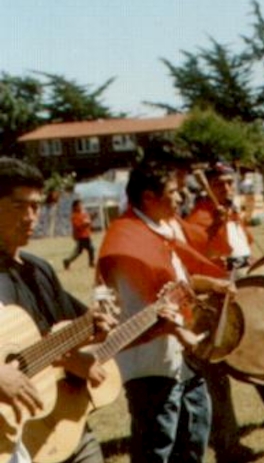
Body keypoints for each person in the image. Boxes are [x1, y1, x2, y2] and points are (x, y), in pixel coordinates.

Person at [97, 161, 234, 463]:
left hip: (183, 359)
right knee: (157, 450)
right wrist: (179, 331)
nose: (180, 198)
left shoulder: (157, 231)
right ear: (149, 197)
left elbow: (177, 283)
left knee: (193, 441)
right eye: (173, 192)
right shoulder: (126, 242)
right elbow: (145, 308)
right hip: (151, 366)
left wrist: (211, 283)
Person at [186, 163, 264, 463]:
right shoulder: (198, 219)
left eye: (230, 183)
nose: (227, 189)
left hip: (246, 291)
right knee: (217, 370)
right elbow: (195, 259)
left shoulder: (231, 212)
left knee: (260, 349)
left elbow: (245, 249)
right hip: (216, 301)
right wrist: (214, 229)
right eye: (220, 184)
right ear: (209, 186)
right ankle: (227, 442)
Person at [0, 158, 117, 463]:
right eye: (18, 206)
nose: (30, 217)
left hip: (65, 420)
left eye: (35, 207)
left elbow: (58, 335)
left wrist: (88, 339)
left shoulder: (39, 269)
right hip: (12, 437)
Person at [63, 199, 95, 270]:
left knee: (83, 250)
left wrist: (91, 219)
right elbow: (77, 226)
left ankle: (67, 261)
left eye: (81, 205)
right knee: (89, 249)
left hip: (86, 234)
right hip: (81, 236)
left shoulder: (84, 214)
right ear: (75, 207)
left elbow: (88, 222)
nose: (81, 206)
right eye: (79, 205)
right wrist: (86, 223)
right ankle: (91, 263)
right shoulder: (74, 216)